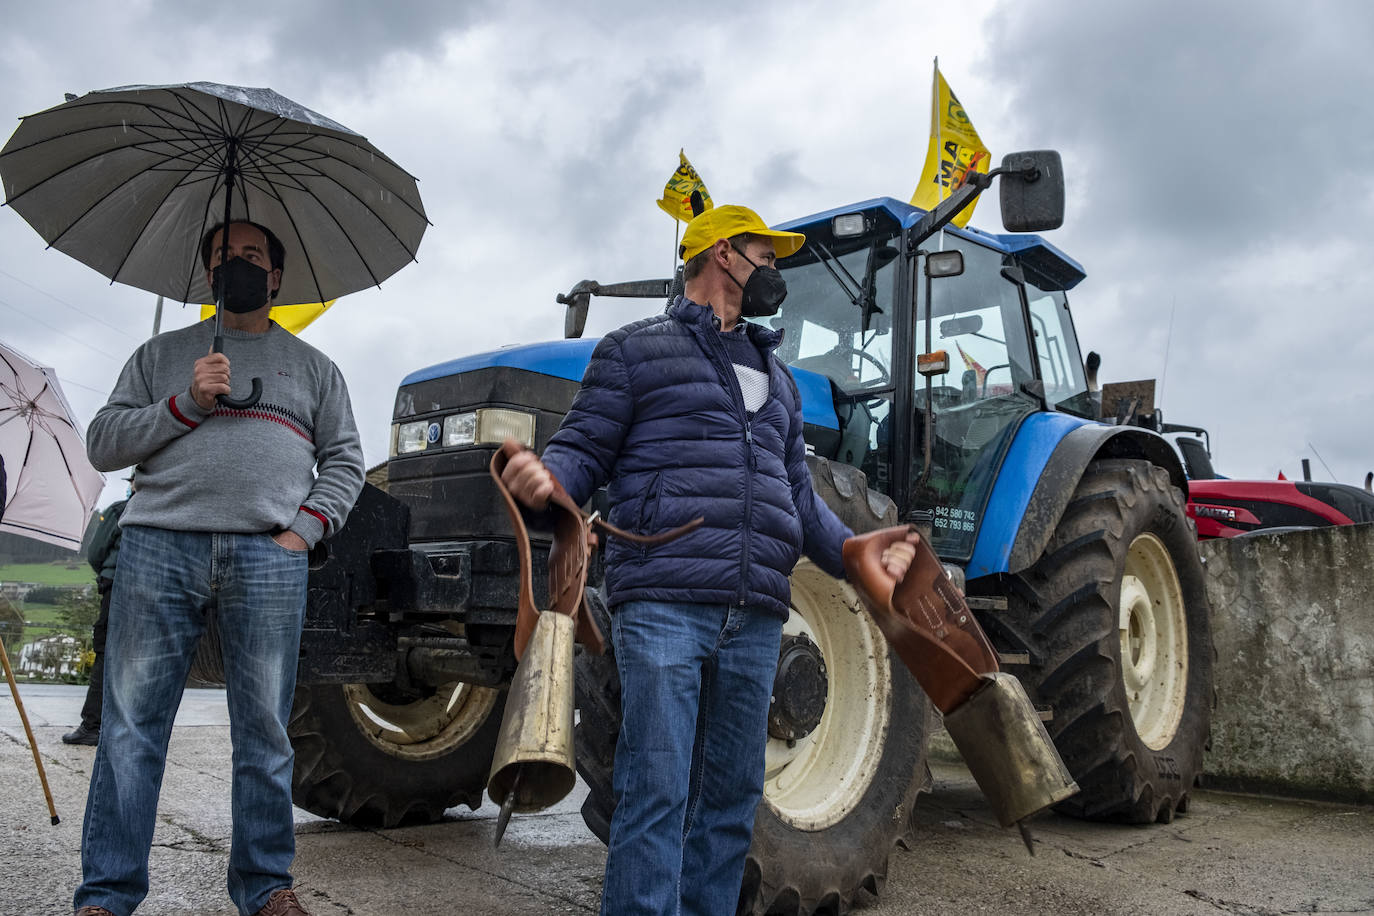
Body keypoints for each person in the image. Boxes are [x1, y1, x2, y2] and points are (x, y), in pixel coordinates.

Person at [500, 204, 919, 916]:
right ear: (724, 255)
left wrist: (856, 552)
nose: (775, 272)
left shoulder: (779, 381)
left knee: (730, 802)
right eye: (768, 255)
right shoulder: (635, 351)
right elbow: (580, 453)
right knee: (655, 791)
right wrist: (545, 484)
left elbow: (798, 502)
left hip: (757, 617)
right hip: (664, 604)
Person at [74, 221, 365, 916]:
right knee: (130, 728)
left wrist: (303, 532)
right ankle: (107, 895)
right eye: (223, 257)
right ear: (208, 275)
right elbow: (103, 443)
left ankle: (265, 888)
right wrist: (185, 403)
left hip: (268, 556)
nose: (236, 265)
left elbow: (346, 461)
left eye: (252, 257)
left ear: (276, 278)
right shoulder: (160, 356)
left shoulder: (315, 369)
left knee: (264, 731)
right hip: (156, 549)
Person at [62, 481, 131, 747]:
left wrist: (107, 573)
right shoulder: (170, 511)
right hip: (156, 592)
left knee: (106, 655)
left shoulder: (120, 511)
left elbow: (96, 552)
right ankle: (125, 727)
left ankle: (92, 725)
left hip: (117, 588)